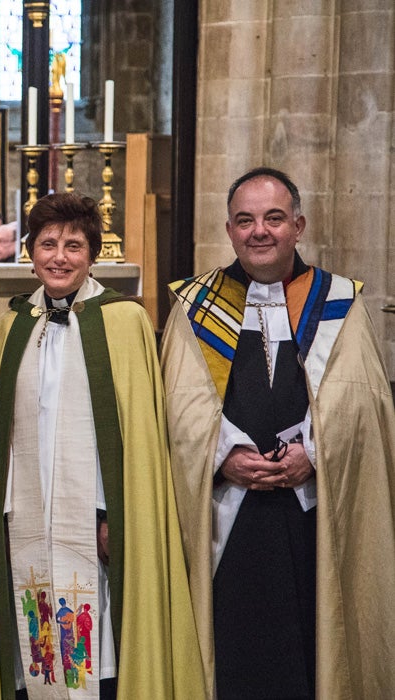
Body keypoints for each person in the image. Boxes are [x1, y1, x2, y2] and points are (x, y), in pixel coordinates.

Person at [0, 192, 205, 699]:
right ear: (29, 251)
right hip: (23, 523)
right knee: (33, 652)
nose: (59, 257)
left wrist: (113, 518)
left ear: (93, 254)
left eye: (73, 245)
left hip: (94, 526)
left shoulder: (124, 323)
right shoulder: (9, 328)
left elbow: (135, 438)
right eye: (47, 244)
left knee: (97, 655)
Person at [161, 167, 395, 699]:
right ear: (229, 230)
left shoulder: (340, 302)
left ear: (298, 225)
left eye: (273, 218)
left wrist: (313, 451)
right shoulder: (196, 305)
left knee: (313, 653)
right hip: (228, 516)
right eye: (245, 220)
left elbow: (362, 401)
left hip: (312, 514)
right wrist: (223, 455)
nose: (259, 231)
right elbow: (176, 407)